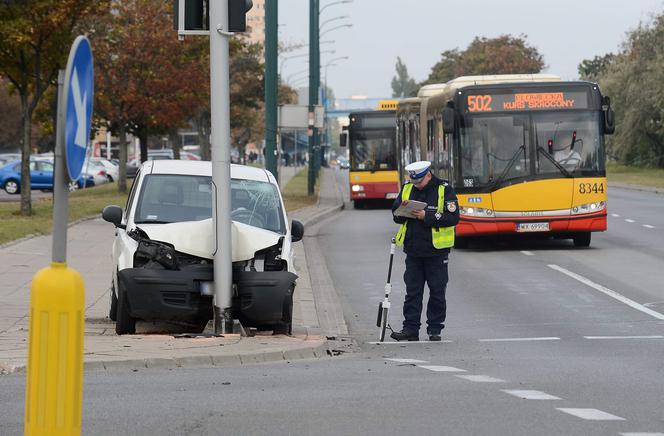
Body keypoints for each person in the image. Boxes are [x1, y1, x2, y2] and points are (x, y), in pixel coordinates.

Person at [390, 161, 459, 341]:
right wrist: (401, 211)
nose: (416, 185)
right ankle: (410, 329)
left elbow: (453, 217)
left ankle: (434, 328)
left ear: (428, 175)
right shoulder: (407, 189)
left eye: (419, 182)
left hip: (436, 251)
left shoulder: (444, 189)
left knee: (437, 291)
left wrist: (425, 216)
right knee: (413, 291)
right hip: (413, 250)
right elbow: (395, 214)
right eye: (414, 182)